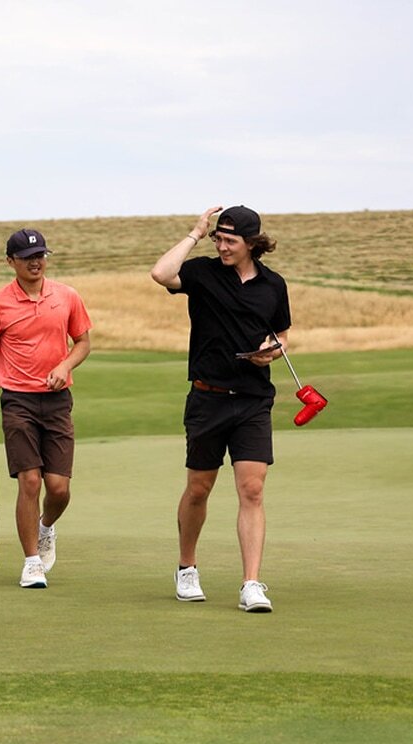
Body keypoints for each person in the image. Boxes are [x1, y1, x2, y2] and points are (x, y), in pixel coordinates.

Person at [150, 205, 291, 612]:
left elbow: (282, 335)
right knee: (199, 488)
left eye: (230, 240)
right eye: (218, 238)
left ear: (252, 243)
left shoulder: (273, 285)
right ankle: (186, 568)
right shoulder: (202, 273)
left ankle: (251, 584)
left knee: (252, 489)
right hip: (207, 397)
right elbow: (161, 273)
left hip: (253, 400)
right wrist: (195, 233)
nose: (222, 246)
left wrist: (273, 351)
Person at [0, 228, 92, 589]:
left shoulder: (67, 296)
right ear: (11, 262)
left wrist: (65, 365)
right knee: (31, 481)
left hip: (57, 400)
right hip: (18, 401)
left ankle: (45, 528)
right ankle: (32, 562)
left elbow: (83, 342)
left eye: (40, 256)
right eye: (27, 258)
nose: (36, 263)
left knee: (59, 488)